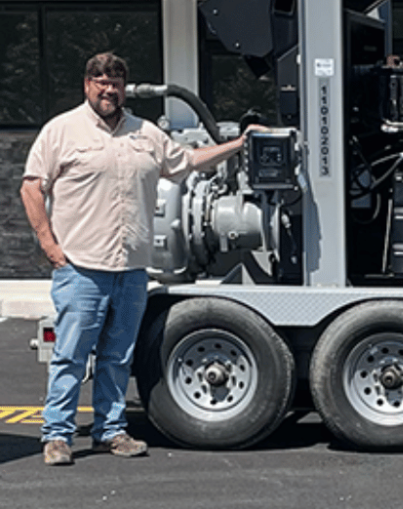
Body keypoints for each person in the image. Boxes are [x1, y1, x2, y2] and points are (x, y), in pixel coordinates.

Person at [21, 52, 255, 466]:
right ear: (87, 84)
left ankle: (110, 431)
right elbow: (32, 188)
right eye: (100, 80)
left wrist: (238, 144)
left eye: (115, 81)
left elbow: (186, 162)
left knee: (117, 357)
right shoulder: (61, 131)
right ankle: (56, 436)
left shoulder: (145, 133)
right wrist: (49, 246)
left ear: (124, 87)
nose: (108, 88)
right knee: (72, 355)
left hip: (130, 269)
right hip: (81, 268)